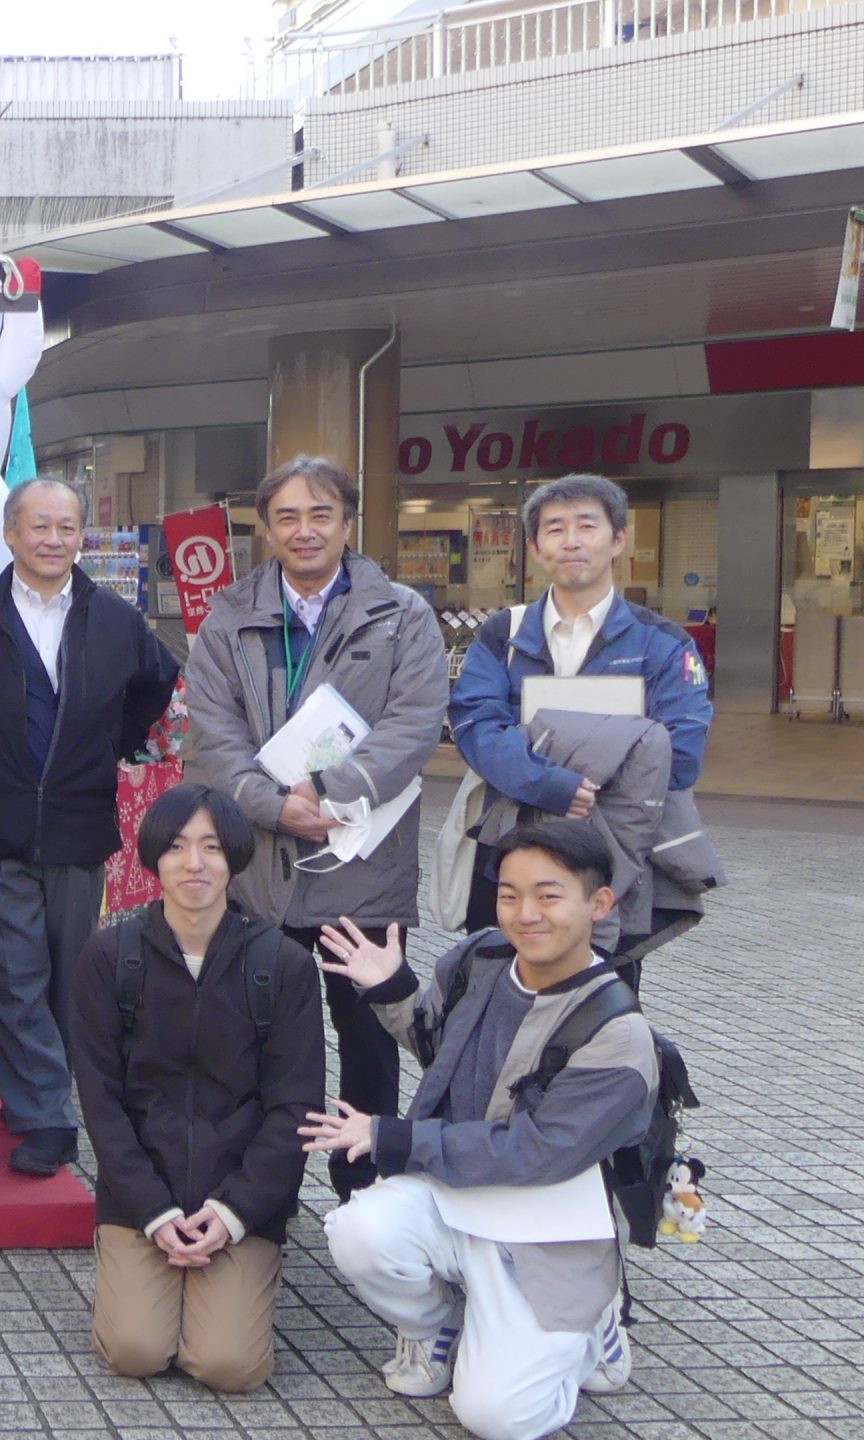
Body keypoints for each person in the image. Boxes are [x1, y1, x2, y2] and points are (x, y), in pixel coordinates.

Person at [305, 820, 652, 1440]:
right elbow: (439, 1046)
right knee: (359, 1230)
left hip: (550, 1223)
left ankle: (594, 1320)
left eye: (549, 896)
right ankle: (435, 1327)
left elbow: (537, 1152)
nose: (526, 914)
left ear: (599, 904)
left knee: (497, 1419)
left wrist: (397, 1138)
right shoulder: (481, 958)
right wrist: (393, 987)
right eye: (510, 894)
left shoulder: (618, 1033)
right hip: (460, 1188)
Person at [181, 455, 447, 1202]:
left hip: (361, 869)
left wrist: (330, 792)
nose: (305, 530)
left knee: (368, 1044)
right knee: (253, 1043)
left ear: (348, 523)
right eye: (288, 517)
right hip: (261, 873)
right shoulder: (229, 616)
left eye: (321, 514)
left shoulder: (402, 614)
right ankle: (256, 1192)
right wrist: (272, 804)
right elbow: (213, 732)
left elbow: (414, 724)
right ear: (265, 529)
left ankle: (367, 1194)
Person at [68, 785, 324, 1392]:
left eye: (212, 847)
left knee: (229, 1366)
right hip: (141, 1198)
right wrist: (153, 1210)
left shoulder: (282, 965)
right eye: (178, 846)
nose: (195, 863)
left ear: (234, 858)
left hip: (240, 1199)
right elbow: (100, 1101)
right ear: (154, 858)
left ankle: (235, 1269)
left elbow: (295, 1108)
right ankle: (147, 1264)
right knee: (135, 1350)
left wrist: (234, 1213)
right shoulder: (110, 956)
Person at [0, 476, 180, 1175]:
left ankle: (35, 1092)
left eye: (66, 528)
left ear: (81, 536)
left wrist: (104, 744)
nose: (53, 540)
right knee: (13, 970)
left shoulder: (115, 619)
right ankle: (45, 1117)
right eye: (39, 526)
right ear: (11, 534)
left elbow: (155, 684)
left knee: (68, 972)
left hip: (81, 820)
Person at [450, 472, 714, 992]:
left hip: (611, 862)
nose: (571, 541)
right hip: (512, 853)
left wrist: (541, 744)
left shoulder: (662, 642)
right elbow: (476, 726)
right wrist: (553, 783)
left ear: (618, 539)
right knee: (499, 1002)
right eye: (554, 529)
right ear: (534, 547)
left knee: (605, 1012)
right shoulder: (503, 634)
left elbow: (680, 753)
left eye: (586, 526)